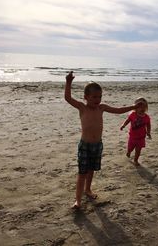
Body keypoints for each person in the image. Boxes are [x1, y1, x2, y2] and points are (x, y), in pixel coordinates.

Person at [65, 71, 142, 209]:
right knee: (82, 173)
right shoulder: (82, 107)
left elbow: (118, 110)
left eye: (99, 97)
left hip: (97, 145)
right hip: (85, 145)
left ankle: (88, 190)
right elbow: (68, 98)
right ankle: (78, 200)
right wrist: (68, 82)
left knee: (91, 170)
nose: (97, 100)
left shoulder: (102, 108)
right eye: (94, 97)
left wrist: (133, 107)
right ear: (86, 97)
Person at [120, 97, 151, 166]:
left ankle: (135, 160)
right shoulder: (132, 115)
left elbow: (148, 125)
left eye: (144, 107)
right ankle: (128, 152)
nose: (142, 109)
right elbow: (128, 120)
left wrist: (148, 132)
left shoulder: (147, 117)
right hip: (132, 137)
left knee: (138, 150)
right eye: (140, 107)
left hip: (141, 137)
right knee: (130, 148)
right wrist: (123, 125)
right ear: (135, 108)